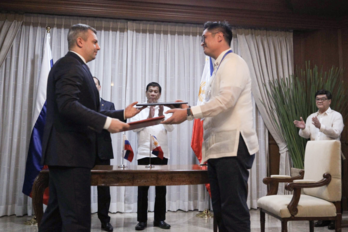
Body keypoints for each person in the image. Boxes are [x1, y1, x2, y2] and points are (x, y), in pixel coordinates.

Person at [39, 24, 142, 232]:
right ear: (80, 41)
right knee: (77, 221)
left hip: (67, 155)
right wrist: (107, 124)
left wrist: (121, 114)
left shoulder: (77, 66)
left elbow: (86, 110)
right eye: (94, 42)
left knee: (55, 217)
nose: (98, 47)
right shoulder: (70, 65)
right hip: (71, 155)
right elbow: (68, 106)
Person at [162, 21, 259, 232]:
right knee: (221, 212)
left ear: (219, 37)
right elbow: (213, 106)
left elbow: (225, 101)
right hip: (218, 149)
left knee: (233, 211)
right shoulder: (219, 68)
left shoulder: (234, 62)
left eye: (204, 38)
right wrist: (187, 109)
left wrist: (188, 113)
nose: (201, 43)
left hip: (232, 147)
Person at [294, 89, 344, 230]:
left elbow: (336, 133)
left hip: (331, 157)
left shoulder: (336, 116)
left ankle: (335, 217)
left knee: (333, 186)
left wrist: (320, 127)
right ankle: (322, 217)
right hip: (316, 158)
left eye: (322, 98)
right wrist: (303, 128)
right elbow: (306, 134)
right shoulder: (311, 117)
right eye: (317, 99)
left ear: (329, 101)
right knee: (319, 186)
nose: (319, 101)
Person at [130, 82, 174, 231]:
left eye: (156, 91)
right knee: (143, 188)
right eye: (150, 91)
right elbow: (134, 128)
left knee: (161, 188)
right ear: (146, 93)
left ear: (160, 94)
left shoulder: (166, 109)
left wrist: (162, 116)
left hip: (161, 153)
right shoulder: (139, 110)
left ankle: (159, 219)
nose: (153, 94)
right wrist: (149, 117)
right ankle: (142, 220)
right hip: (144, 153)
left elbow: (171, 128)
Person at [93, 76, 118, 232]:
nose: (93, 87)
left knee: (103, 187)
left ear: (100, 87)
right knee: (80, 187)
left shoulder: (108, 105)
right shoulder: (79, 105)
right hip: (82, 151)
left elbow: (112, 127)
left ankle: (104, 220)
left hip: (102, 151)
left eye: (95, 84)